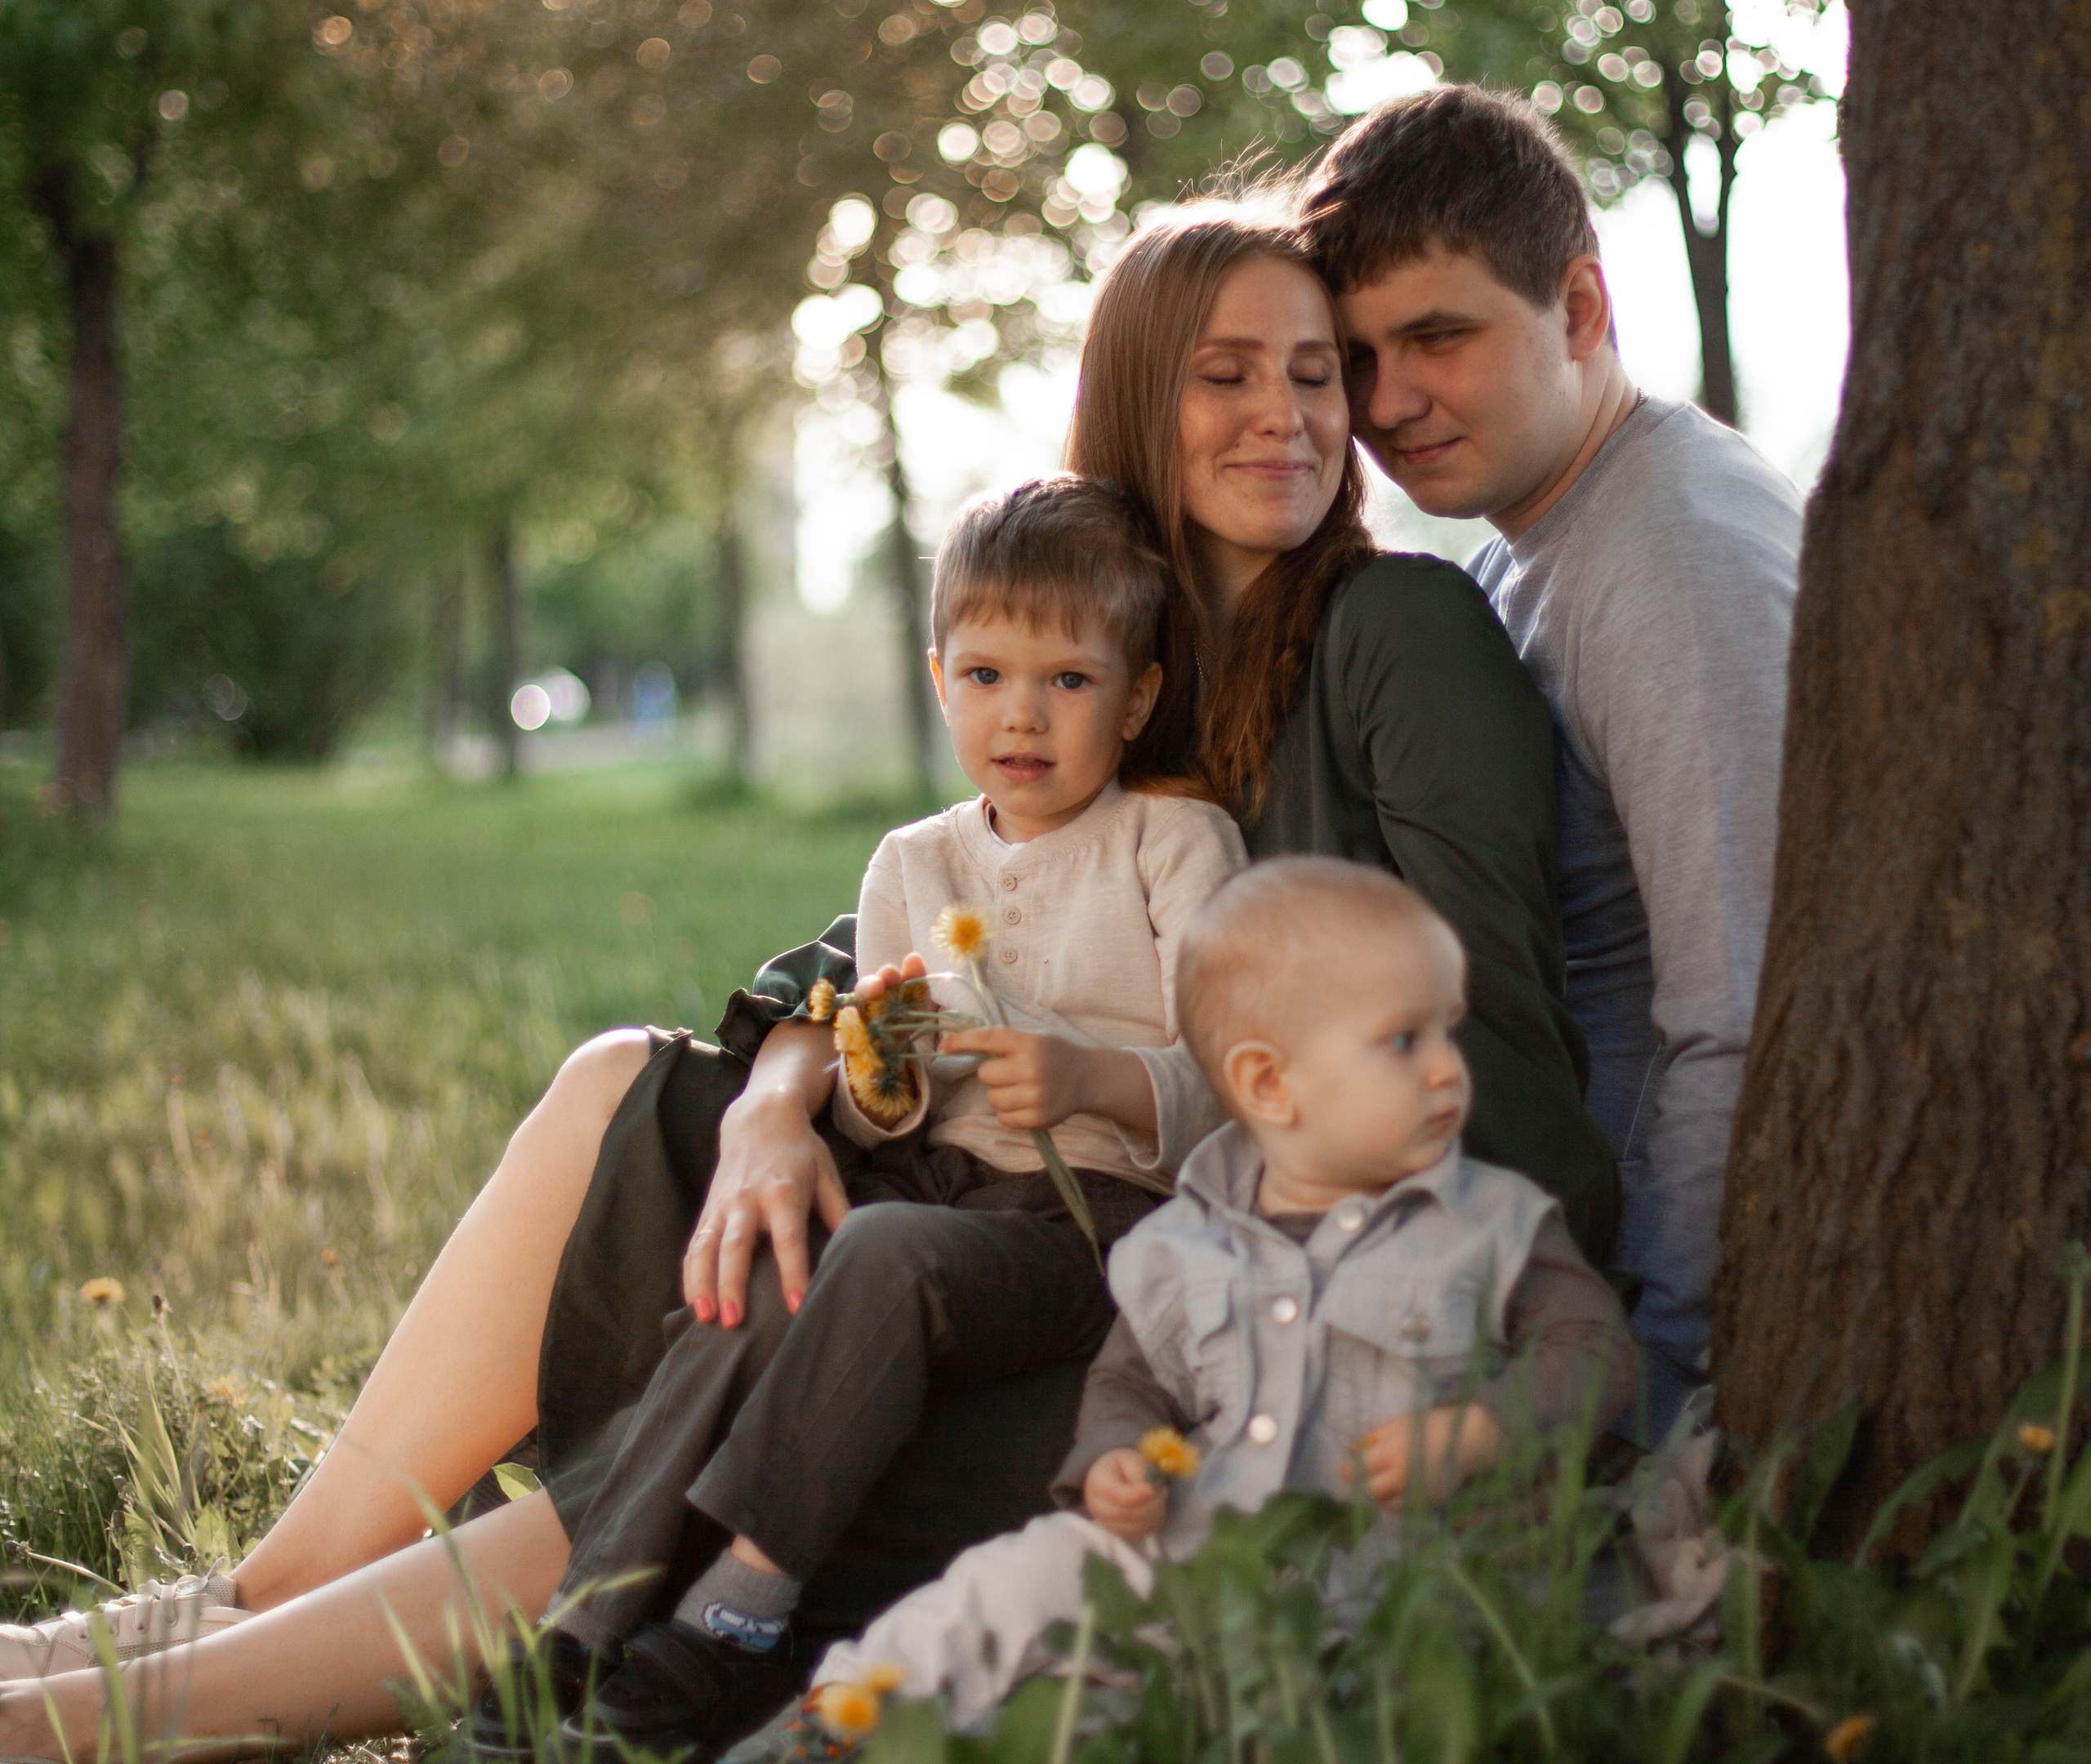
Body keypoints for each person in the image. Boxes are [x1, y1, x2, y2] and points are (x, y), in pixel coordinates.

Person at [0, 203, 1611, 1759]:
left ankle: (99, 1717)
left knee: (742, 1388)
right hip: (984, 1184)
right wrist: (779, 1100)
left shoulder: (1393, 628)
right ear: (1138, 394)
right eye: (1227, 373)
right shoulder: (1124, 647)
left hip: (1180, 1278)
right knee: (630, 1090)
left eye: (1315, 372)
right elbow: (893, 948)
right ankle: (241, 1600)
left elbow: (1495, 1060)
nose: (1289, 414)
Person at [533, 477, 1245, 1754]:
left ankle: (734, 1619)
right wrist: (877, 1076)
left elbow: (1239, 1080)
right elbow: (879, 1122)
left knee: (878, 1250)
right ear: (939, 681)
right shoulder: (913, 863)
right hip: (932, 1196)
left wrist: (1094, 1081)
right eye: (986, 675)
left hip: (1097, 1222)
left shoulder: (1172, 845)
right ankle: (586, 1625)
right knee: (763, 1278)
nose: (1021, 714)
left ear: (1137, 699)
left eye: (1069, 681)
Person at [792, 858, 1634, 1740]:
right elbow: (1132, 1380)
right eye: (1403, 1041)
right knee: (1020, 1577)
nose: (1447, 1072)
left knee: (1360, 1693)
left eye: (1446, 1033)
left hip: (1396, 1567)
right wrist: (1113, 1457)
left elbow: (1594, 1345)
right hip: (1205, 1538)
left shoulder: (1488, 1219)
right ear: (1269, 1084)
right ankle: (844, 1713)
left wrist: (1483, 1430)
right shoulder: (1191, 1234)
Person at [1300, 86, 1803, 1437]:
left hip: (1626, 1323)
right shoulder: (1534, 545)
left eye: (1438, 338)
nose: (1388, 403)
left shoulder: (1673, 556)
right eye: (1358, 357)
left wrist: (1644, 1394)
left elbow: (1741, 1014)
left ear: (1580, 309)